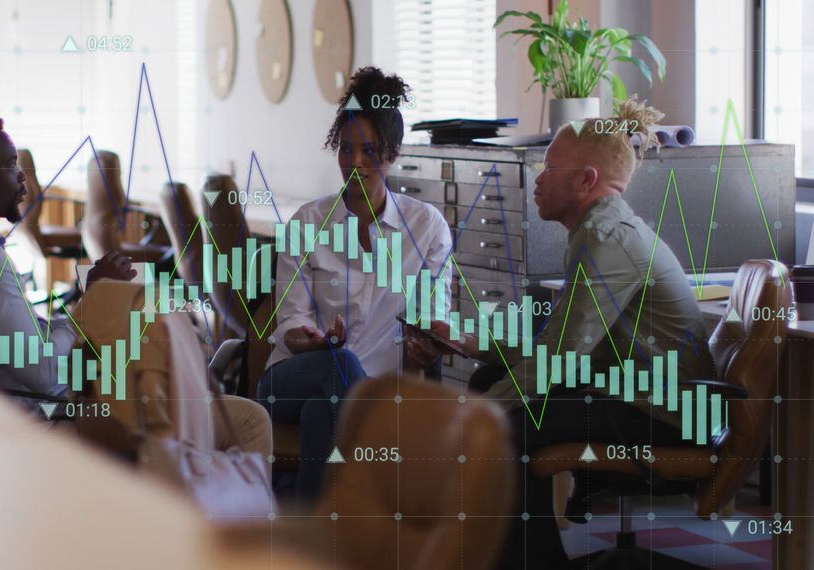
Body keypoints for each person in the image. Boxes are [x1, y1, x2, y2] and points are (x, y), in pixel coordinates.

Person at [453, 99, 718, 569]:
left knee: (503, 427)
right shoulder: (599, 230)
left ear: (586, 179)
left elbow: (561, 355)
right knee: (488, 386)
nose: (538, 177)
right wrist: (479, 347)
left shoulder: (605, 239)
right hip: (638, 392)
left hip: (668, 412)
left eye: (550, 167)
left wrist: (476, 414)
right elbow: (565, 343)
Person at [257, 67, 454, 503]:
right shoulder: (307, 223)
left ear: (393, 153)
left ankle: (313, 540)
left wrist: (429, 343)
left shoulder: (425, 228)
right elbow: (290, 316)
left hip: (373, 394)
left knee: (322, 412)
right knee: (340, 366)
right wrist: (309, 338)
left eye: (370, 151)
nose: (356, 163)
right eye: (346, 150)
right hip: (291, 378)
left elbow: (432, 316)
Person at [0, 111, 135, 409]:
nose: (22, 176)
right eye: (10, 165)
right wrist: (93, 302)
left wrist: (88, 302)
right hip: (48, 411)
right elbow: (44, 374)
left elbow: (31, 337)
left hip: (47, 394)